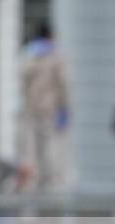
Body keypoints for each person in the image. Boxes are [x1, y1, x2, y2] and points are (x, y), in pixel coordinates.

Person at [19, 22, 69, 191]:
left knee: (31, 151)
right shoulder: (54, 57)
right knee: (50, 151)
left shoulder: (28, 54)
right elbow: (62, 85)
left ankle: (35, 186)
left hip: (30, 110)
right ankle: (49, 187)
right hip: (49, 110)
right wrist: (64, 108)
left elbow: (23, 83)